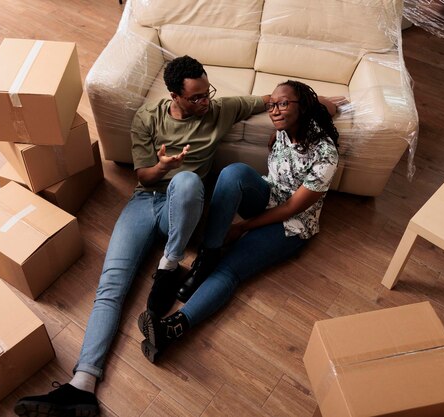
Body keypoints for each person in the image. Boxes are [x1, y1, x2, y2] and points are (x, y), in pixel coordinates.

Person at [14, 55, 270, 417]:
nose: (205, 102)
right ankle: (83, 384)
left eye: (206, 93)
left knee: (185, 181)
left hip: (182, 209)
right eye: (195, 97)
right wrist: (161, 166)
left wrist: (314, 102)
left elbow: (269, 99)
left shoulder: (219, 109)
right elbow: (143, 178)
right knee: (110, 285)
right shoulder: (148, 118)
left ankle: (170, 264)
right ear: (174, 96)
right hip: (145, 201)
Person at [137, 80, 344, 363]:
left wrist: (241, 228)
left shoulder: (325, 154)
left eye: (282, 104)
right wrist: (318, 106)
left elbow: (292, 208)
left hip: (292, 223)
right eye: (272, 105)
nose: (275, 111)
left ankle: (172, 328)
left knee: (230, 270)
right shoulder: (286, 126)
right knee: (233, 173)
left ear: (303, 108)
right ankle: (205, 260)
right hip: (270, 192)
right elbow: (326, 104)